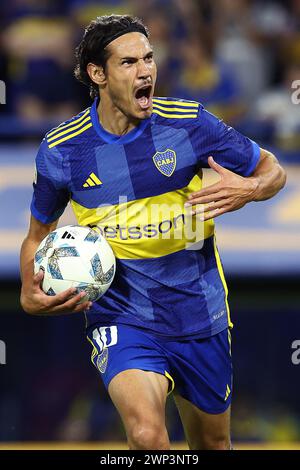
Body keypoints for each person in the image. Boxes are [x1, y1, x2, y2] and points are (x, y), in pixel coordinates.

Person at [20, 14, 286, 450]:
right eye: (128, 62)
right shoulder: (62, 150)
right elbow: (38, 233)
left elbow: (270, 169)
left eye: (148, 58)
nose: (145, 70)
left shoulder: (190, 124)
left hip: (200, 315)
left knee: (214, 446)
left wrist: (253, 189)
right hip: (122, 316)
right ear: (97, 74)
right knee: (147, 437)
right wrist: (29, 290)